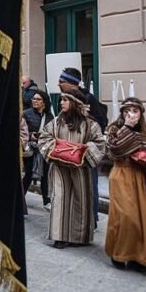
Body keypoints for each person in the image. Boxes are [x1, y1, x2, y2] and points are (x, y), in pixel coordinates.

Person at [39, 88, 105, 249]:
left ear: (76, 103)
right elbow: (44, 138)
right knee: (60, 199)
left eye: (65, 100)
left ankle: (78, 236)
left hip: (80, 170)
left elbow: (99, 144)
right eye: (61, 100)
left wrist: (81, 152)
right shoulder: (56, 122)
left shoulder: (90, 124)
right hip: (59, 169)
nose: (61, 103)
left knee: (79, 200)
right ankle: (59, 236)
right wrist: (57, 149)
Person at [104, 97, 146, 272]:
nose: (130, 114)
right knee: (125, 217)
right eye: (126, 111)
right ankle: (118, 253)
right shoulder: (115, 129)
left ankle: (138, 258)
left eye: (134, 111)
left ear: (141, 113)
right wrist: (127, 128)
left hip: (143, 177)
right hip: (122, 175)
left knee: (143, 219)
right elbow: (114, 149)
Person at [57, 67, 108, 228]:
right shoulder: (65, 99)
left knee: (89, 186)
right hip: (67, 151)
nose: (58, 84)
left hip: (85, 152)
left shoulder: (88, 99)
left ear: (72, 84)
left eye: (62, 81)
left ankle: (90, 220)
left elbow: (100, 124)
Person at [22, 89, 54, 210]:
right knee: (29, 174)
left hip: (44, 149)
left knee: (45, 175)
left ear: (44, 102)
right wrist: (31, 135)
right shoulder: (26, 113)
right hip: (30, 148)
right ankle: (20, 199)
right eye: (33, 99)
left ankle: (46, 201)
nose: (34, 101)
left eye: (38, 99)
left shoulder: (49, 116)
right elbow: (21, 130)